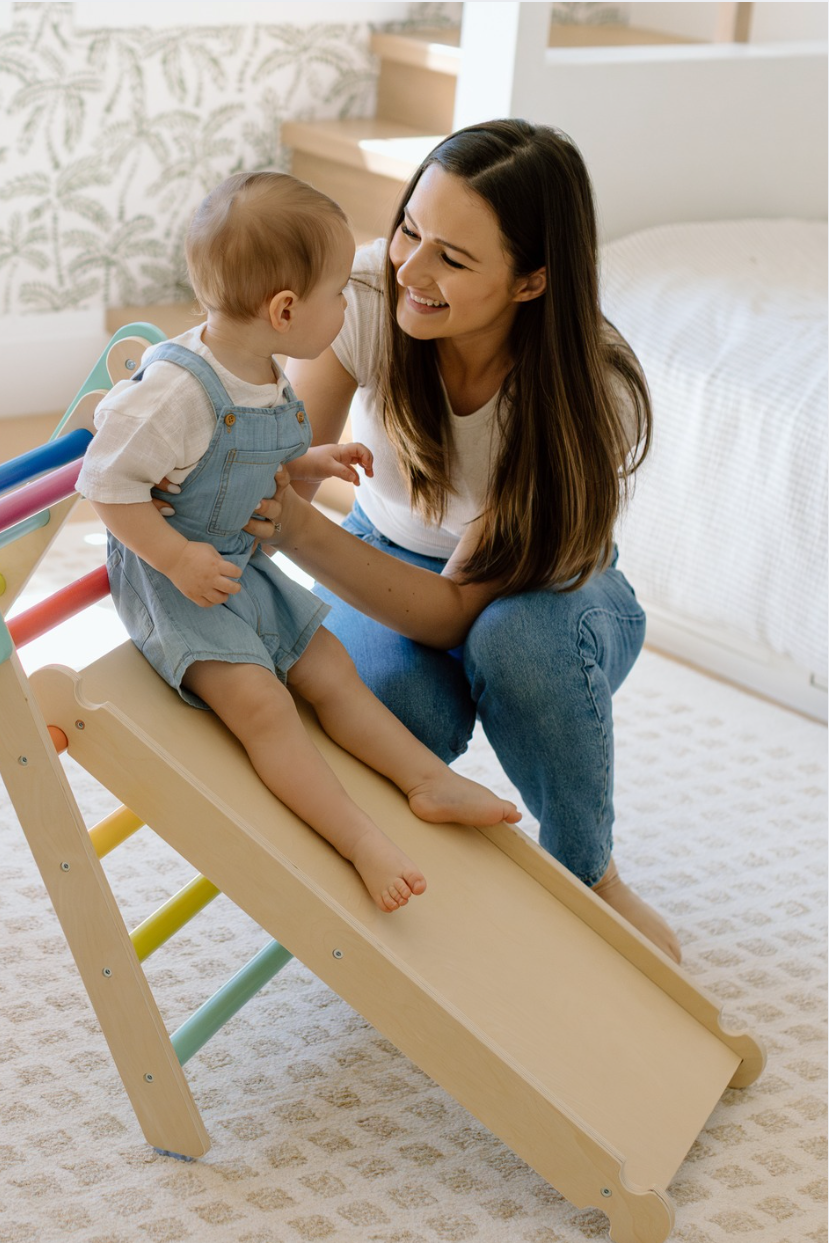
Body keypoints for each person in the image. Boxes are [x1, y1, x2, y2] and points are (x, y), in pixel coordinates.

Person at [250, 120, 682, 962]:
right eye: (411, 226)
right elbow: (285, 460)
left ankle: (588, 876)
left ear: (530, 283)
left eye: (452, 256)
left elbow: (454, 611)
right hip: (382, 549)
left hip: (550, 601)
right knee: (384, 707)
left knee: (513, 644)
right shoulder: (371, 294)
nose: (410, 266)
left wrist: (296, 526)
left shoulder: (589, 394)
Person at [78, 171, 521, 915]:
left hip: (234, 565)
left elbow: (240, 464)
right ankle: (359, 841)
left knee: (329, 666)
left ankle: (426, 780)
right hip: (179, 581)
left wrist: (307, 464)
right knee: (265, 707)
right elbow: (107, 484)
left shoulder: (261, 370)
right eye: (338, 296)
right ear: (285, 310)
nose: (351, 306)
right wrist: (176, 558)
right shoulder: (177, 390)